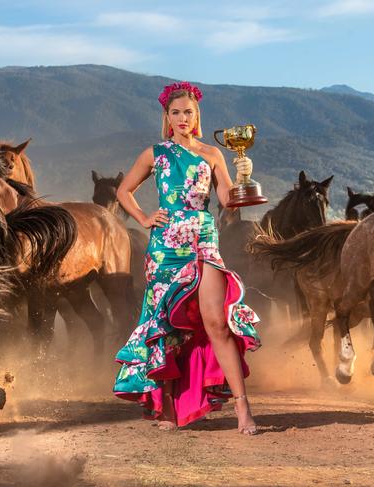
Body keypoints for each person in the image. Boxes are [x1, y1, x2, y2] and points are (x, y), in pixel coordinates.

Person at [112, 81, 262, 434]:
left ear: (197, 116)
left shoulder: (212, 154)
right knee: (166, 326)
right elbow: (123, 191)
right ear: (167, 116)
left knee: (216, 322)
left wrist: (242, 174)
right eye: (176, 112)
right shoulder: (155, 153)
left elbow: (226, 201)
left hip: (203, 241)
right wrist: (145, 218)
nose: (182, 118)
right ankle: (164, 407)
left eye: (188, 112)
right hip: (165, 246)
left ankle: (243, 408)